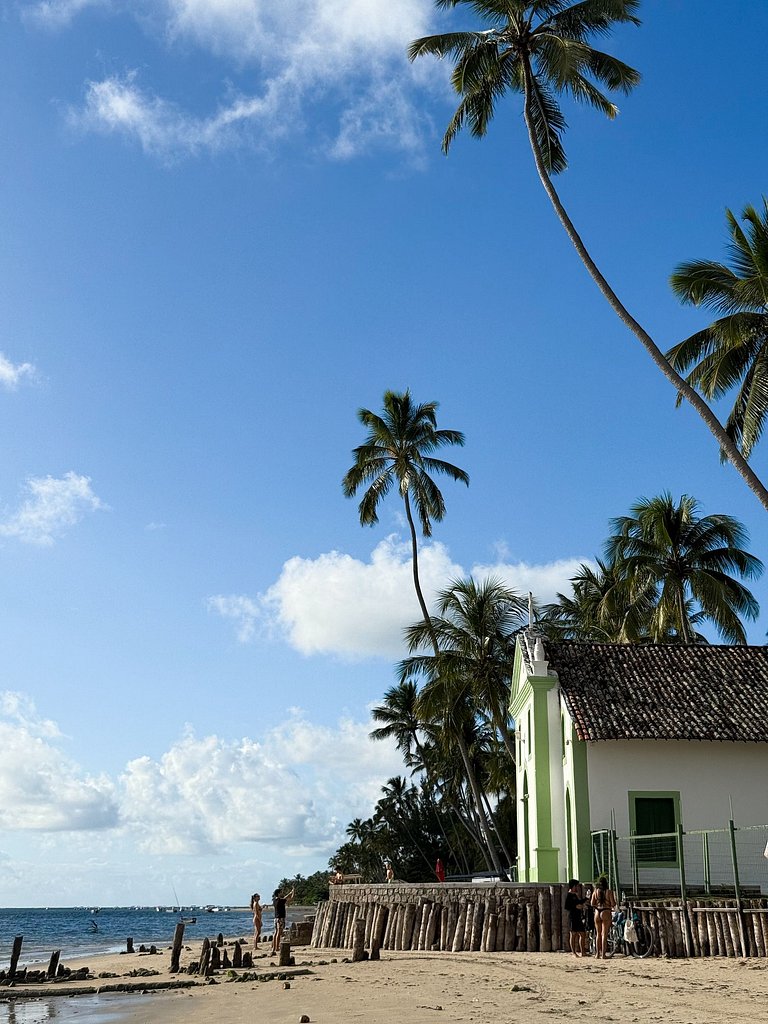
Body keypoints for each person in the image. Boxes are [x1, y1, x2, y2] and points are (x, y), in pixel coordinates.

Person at [590, 875, 616, 959]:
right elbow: (613, 903)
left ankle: (597, 954)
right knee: (604, 934)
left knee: (598, 934)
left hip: (597, 911)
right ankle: (603, 954)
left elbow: (592, 903)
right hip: (606, 911)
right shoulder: (608, 892)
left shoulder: (596, 891)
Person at [564, 879, 587, 957]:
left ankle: (583, 951)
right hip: (572, 916)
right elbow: (566, 906)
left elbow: (579, 902)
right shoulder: (569, 895)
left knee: (582, 934)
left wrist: (586, 899)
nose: (577, 887)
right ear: (573, 886)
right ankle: (574, 952)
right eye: (576, 886)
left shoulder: (575, 894)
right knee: (573, 934)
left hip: (578, 916)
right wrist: (575, 906)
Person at [270, 885, 295, 955]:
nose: (282, 893)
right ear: (278, 893)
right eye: (281, 892)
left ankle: (274, 946)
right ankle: (277, 947)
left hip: (276, 918)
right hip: (280, 918)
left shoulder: (275, 900)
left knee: (276, 932)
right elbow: (290, 898)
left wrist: (290, 892)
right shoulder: (281, 900)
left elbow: (285, 897)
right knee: (279, 932)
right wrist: (293, 892)